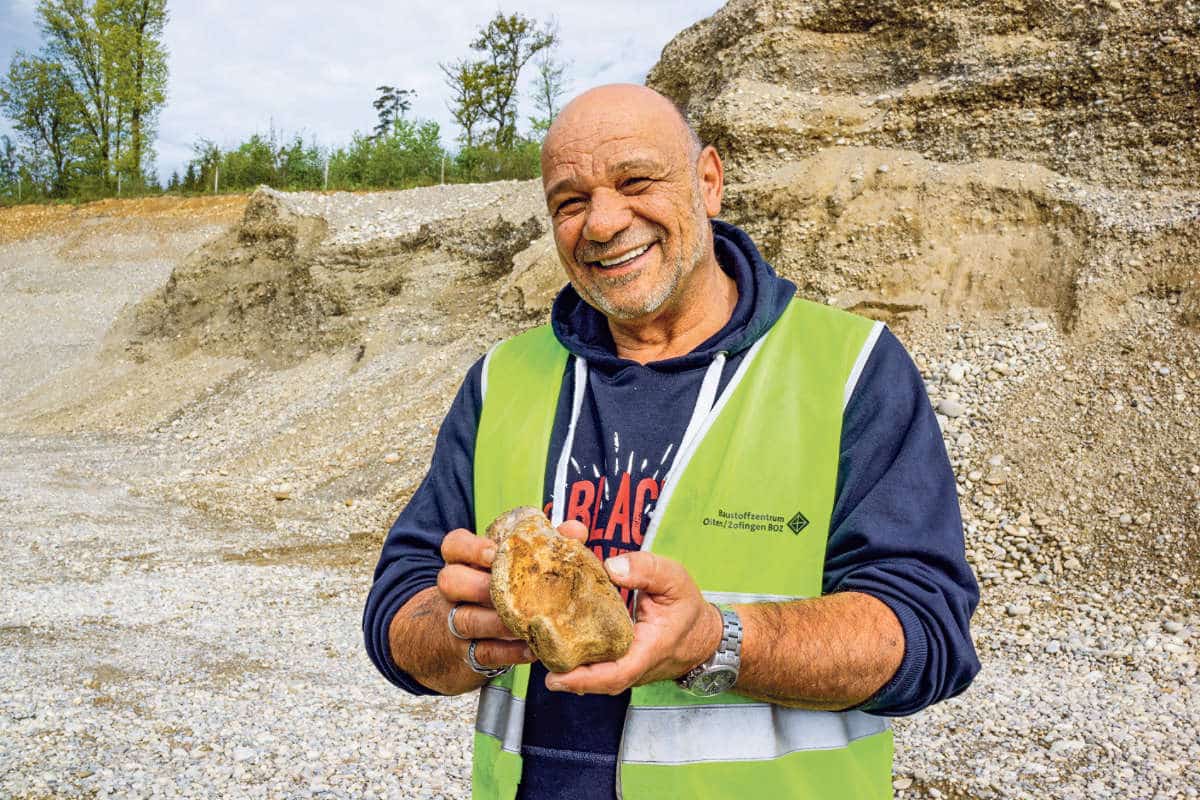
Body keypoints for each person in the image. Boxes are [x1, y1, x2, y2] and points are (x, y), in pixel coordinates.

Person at [363, 84, 980, 800]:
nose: (602, 222)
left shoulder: (848, 369)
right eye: (569, 201)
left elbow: (924, 632)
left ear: (708, 181)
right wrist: (463, 634)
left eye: (635, 182)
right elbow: (396, 611)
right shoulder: (502, 380)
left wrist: (714, 641)